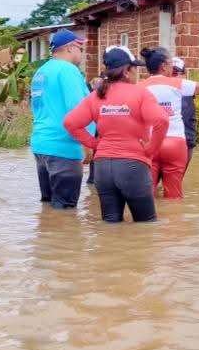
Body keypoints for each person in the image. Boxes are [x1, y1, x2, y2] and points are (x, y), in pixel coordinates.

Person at [64, 46, 169, 222]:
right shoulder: (140, 93)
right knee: (146, 226)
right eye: (135, 68)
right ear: (127, 71)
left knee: (110, 224)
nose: (137, 72)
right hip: (133, 166)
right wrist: (151, 149)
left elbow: (70, 123)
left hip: (103, 169)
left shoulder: (97, 95)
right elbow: (162, 121)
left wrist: (95, 144)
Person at [139, 47, 199, 198]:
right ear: (164, 65)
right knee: (174, 196)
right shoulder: (177, 84)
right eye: (171, 63)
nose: (173, 67)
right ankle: (175, 220)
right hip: (175, 143)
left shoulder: (139, 87)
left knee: (146, 195)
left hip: (149, 145)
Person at [30, 29, 92, 209]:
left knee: (49, 209)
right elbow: (78, 110)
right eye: (80, 48)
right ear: (71, 48)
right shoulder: (68, 70)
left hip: (41, 146)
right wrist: (87, 144)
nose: (82, 53)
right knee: (65, 213)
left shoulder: (41, 72)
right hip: (63, 148)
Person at [172, 57, 197, 165]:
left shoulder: (189, 90)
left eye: (177, 72)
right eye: (172, 73)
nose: (174, 76)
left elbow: (190, 119)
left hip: (186, 140)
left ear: (184, 74)